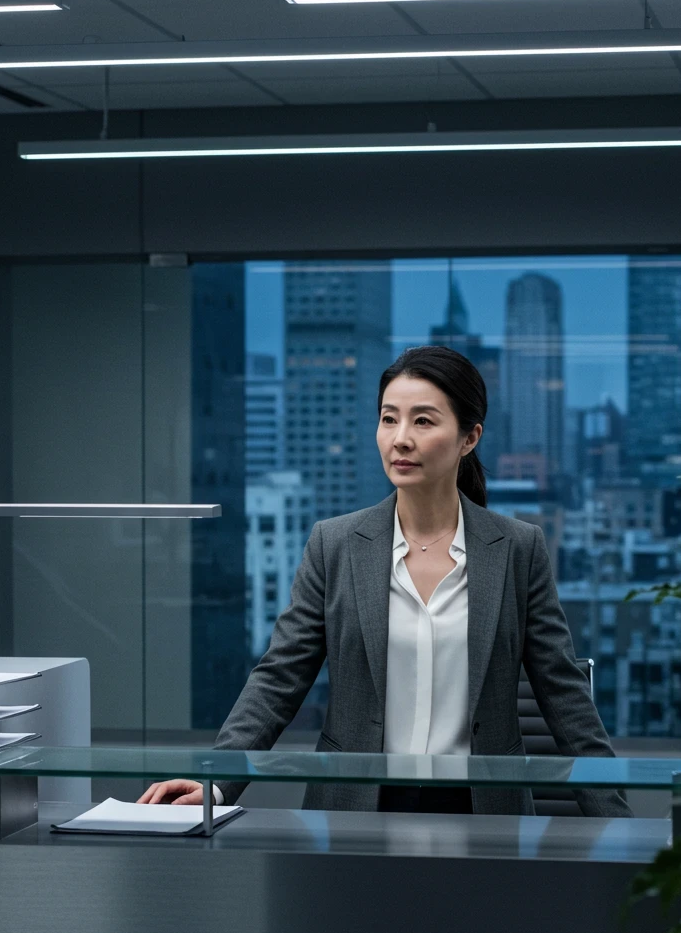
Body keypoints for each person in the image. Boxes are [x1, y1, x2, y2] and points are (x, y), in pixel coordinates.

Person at [138, 345, 631, 817]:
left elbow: (565, 699)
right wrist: (216, 781)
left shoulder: (518, 549)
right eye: (388, 418)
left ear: (469, 437)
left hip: (483, 810)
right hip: (356, 808)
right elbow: (278, 678)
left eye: (423, 420)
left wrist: (622, 829)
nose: (400, 438)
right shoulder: (334, 544)